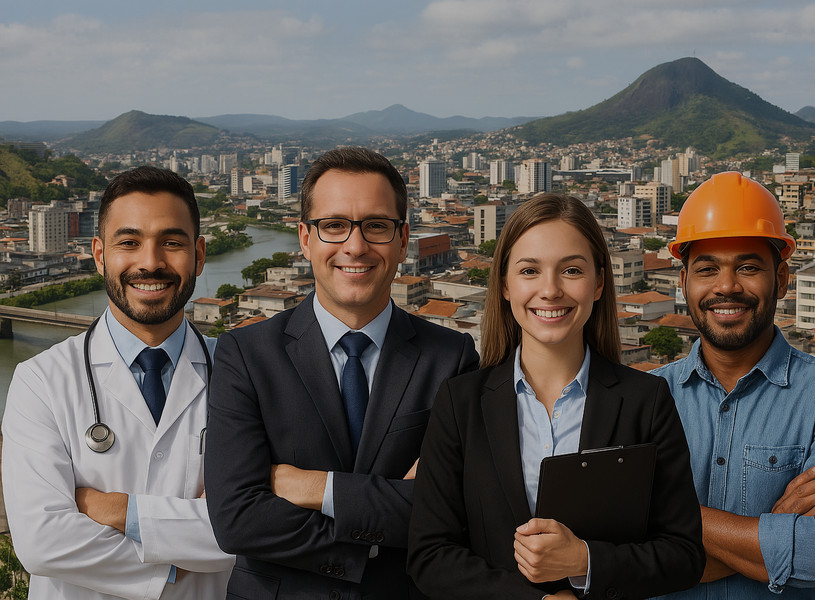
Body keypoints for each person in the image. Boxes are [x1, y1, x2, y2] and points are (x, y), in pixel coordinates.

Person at [204, 147, 479, 599]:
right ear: (305, 239)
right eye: (334, 226)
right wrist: (377, 531)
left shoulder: (450, 356)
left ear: (403, 239)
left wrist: (316, 487)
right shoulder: (246, 354)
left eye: (376, 226)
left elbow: (457, 512)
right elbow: (237, 521)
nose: (355, 245)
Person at [408, 194, 704, 600]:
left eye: (571, 270)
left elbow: (683, 555)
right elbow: (429, 555)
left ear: (599, 282)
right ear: (506, 285)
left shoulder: (646, 400)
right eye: (530, 270)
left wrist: (585, 561)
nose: (550, 290)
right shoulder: (461, 403)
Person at [1, 166, 234, 600]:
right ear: (99, 254)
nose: (150, 262)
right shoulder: (40, 381)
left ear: (199, 254)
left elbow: (268, 526)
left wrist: (116, 510)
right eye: (129, 242)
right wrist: (175, 561)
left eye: (172, 242)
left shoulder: (243, 374)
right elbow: (42, 542)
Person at [651, 172, 815, 599]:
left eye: (748, 267)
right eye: (707, 269)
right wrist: (773, 524)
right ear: (683, 282)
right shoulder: (643, 398)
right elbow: (622, 560)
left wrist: (664, 514)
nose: (726, 287)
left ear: (783, 278)